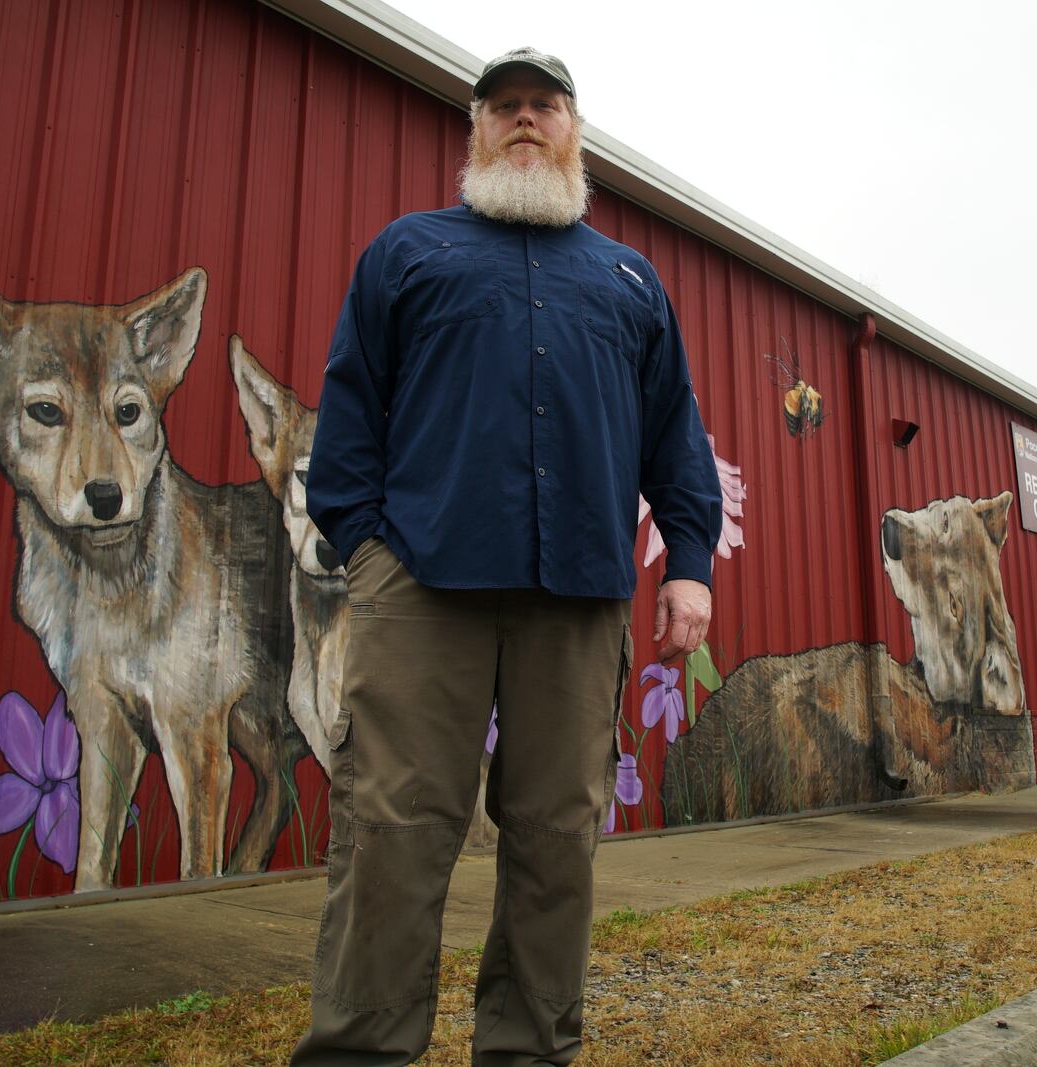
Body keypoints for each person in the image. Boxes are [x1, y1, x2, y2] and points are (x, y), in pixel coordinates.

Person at [293, 46, 723, 1066]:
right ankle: (358, 1050)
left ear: (574, 131)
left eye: (545, 105)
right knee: (392, 831)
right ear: (476, 130)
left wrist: (691, 562)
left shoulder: (629, 279)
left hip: (577, 595)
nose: (524, 119)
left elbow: (673, 433)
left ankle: (529, 1050)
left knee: (555, 840)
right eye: (505, 107)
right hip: (422, 586)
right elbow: (349, 415)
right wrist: (366, 550)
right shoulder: (407, 254)